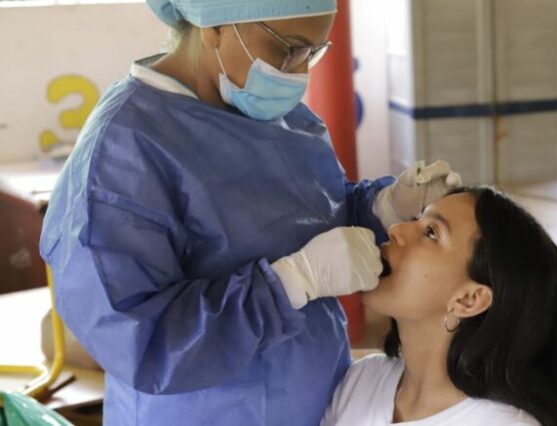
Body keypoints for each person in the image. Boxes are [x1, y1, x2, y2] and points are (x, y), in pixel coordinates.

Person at [39, 0, 460, 424]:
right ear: (213, 26)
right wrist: (292, 282)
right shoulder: (124, 151)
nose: (299, 73)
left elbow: (308, 213)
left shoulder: (277, 115)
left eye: (313, 52)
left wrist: (383, 207)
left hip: (319, 403)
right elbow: (144, 344)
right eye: (288, 49)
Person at [322, 187, 557, 426]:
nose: (395, 229)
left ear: (469, 300)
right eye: (417, 219)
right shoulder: (362, 380)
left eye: (430, 232)